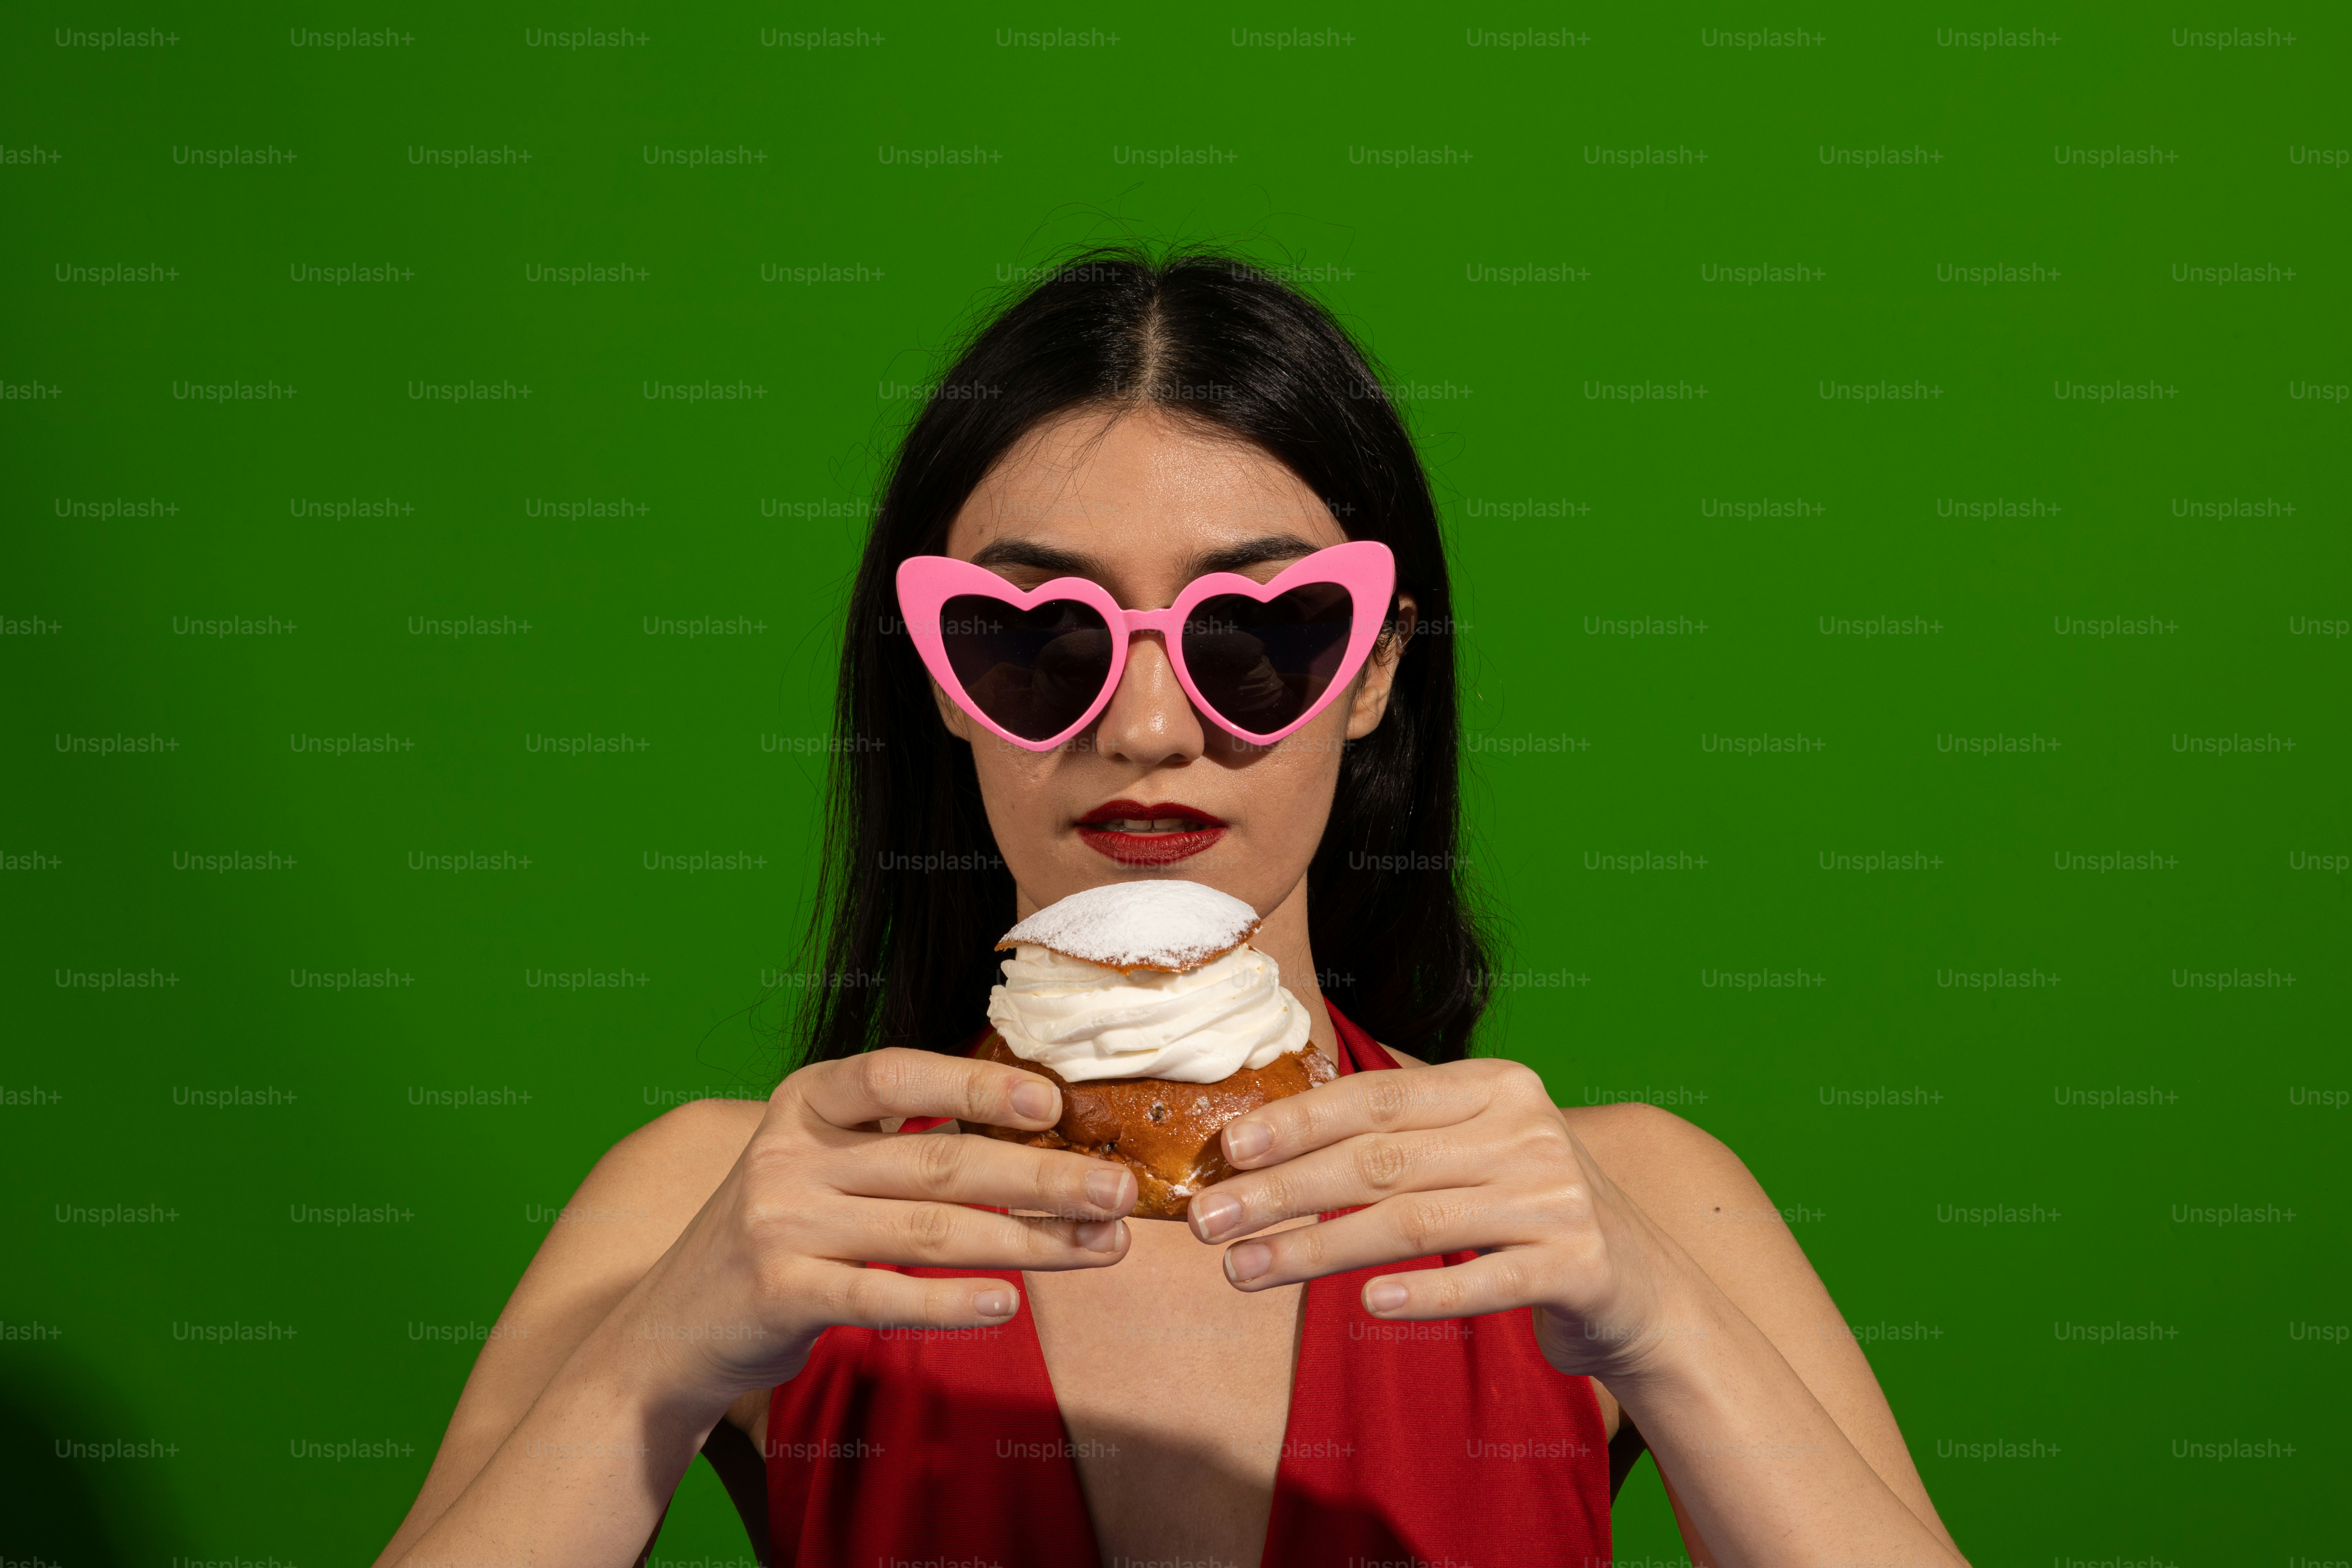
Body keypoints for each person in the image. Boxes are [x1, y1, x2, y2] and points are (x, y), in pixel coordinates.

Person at [374, 249, 1968, 1568]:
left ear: (1376, 675)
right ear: (939, 679)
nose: (1146, 729)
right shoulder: (724, 1203)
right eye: (1037, 639)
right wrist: (647, 1365)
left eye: (1260, 633)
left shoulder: (1617, 1204)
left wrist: (1662, 1323)